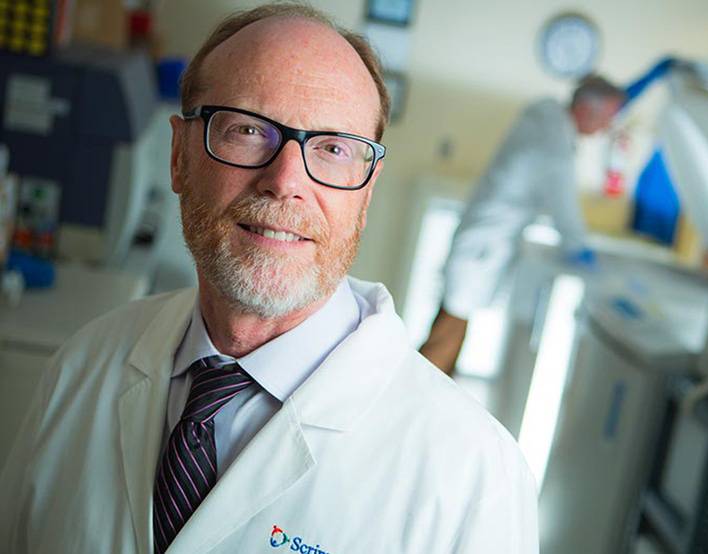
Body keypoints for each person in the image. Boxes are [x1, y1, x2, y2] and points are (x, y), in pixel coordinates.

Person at [0, 4, 537, 553]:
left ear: (367, 192)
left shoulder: (474, 481)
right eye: (248, 130)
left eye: (333, 149)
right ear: (180, 156)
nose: (285, 182)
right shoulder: (82, 367)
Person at [420, 77, 625, 375]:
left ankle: (430, 395)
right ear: (585, 109)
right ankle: (419, 400)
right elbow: (564, 207)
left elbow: (597, 97)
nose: (605, 127)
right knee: (446, 335)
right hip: (483, 247)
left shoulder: (546, 113)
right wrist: (580, 249)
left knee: (450, 328)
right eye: (606, 118)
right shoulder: (554, 145)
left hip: (482, 239)